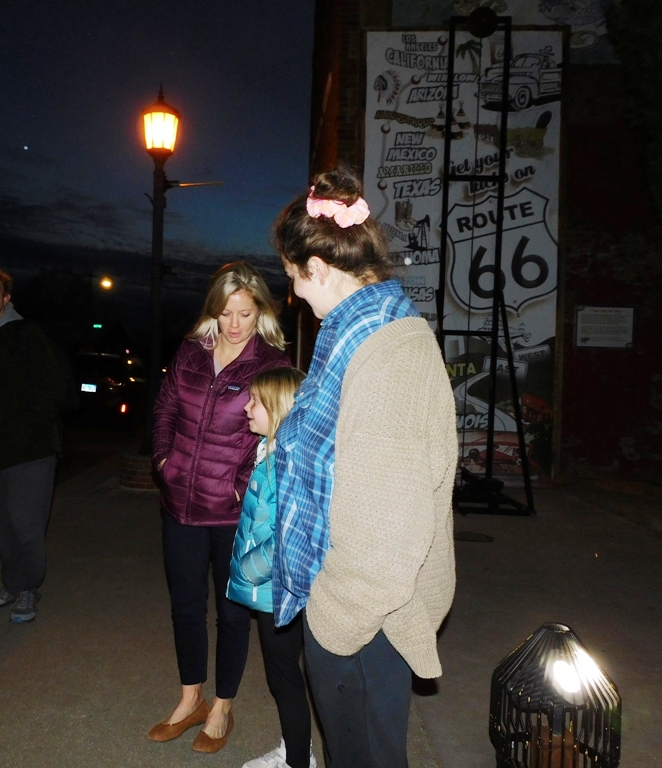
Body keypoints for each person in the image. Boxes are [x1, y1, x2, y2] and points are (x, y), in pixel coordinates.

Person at [271, 165, 458, 768]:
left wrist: (333, 621)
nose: (295, 294)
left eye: (294, 278)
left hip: (363, 620)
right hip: (348, 605)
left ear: (319, 268)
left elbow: (388, 531)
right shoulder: (354, 329)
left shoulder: (390, 351)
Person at [150, 261, 291, 753]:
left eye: (245, 314)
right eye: (226, 312)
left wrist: (241, 485)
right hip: (180, 503)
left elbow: (278, 430)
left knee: (232, 614)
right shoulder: (191, 351)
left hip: (233, 514)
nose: (234, 324)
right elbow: (165, 409)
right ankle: (191, 698)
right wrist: (164, 461)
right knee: (185, 606)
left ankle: (222, 707)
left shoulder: (270, 362)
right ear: (213, 310)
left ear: (261, 313)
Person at [0, 263, 67, 623]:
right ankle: (12, 583)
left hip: (30, 451)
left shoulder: (26, 334)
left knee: (25, 526)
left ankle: (27, 589)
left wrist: (27, 429)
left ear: (6, 298)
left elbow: (53, 389)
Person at [226, 367, 316, 768]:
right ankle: (296, 750)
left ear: (279, 408)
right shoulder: (271, 452)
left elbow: (283, 539)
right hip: (273, 589)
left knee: (284, 677)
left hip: (275, 590)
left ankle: (297, 760)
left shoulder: (282, 465)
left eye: (256, 401)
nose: (247, 407)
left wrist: (245, 570)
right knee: (284, 675)